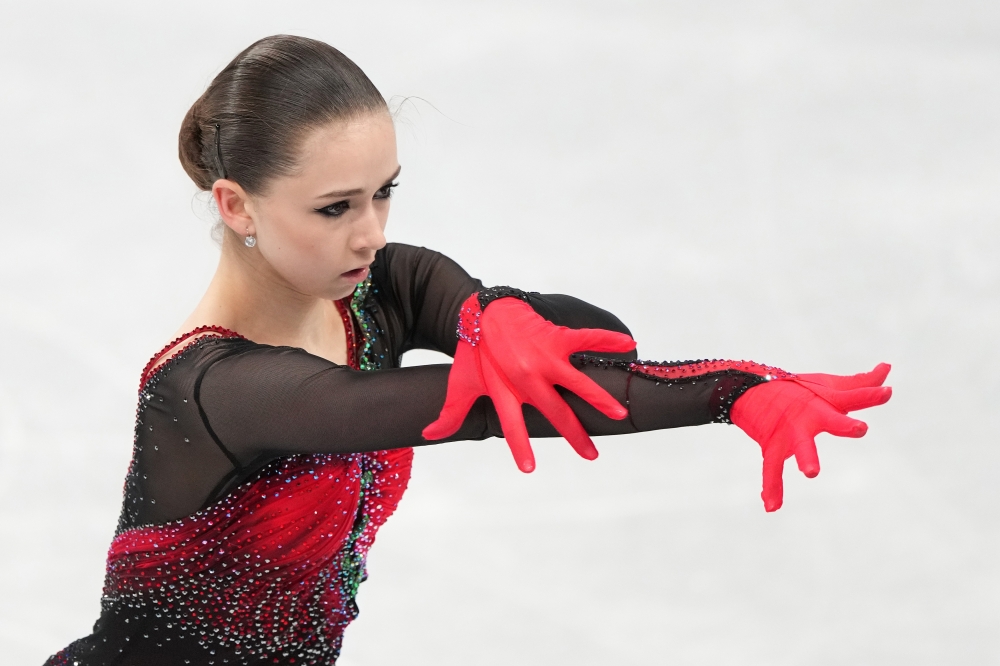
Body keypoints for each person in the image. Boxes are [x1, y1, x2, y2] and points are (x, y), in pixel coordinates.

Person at [44, 34, 891, 666]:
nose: (371, 233)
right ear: (237, 206)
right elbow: (476, 407)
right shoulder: (215, 387)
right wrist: (732, 388)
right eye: (335, 208)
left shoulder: (377, 295)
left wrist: (494, 311)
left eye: (385, 194)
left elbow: (597, 336)